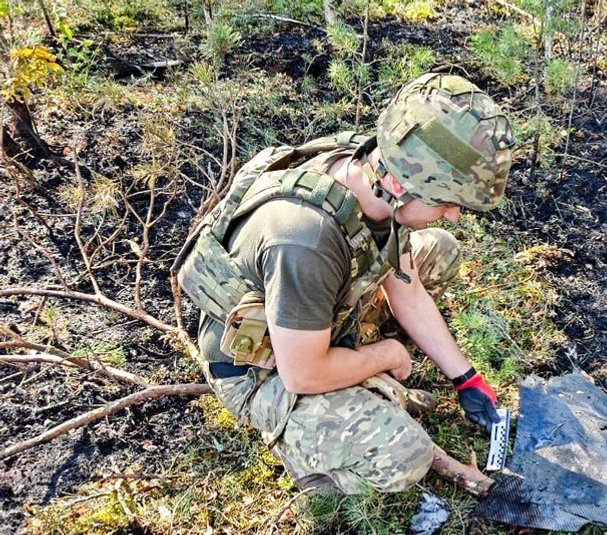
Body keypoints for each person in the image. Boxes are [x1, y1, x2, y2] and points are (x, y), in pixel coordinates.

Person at [178, 73, 516, 494]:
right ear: (397, 186)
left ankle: (358, 372)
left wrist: (465, 379)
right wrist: (385, 353)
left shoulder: (376, 165)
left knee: (440, 250)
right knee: (405, 458)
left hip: (316, 316)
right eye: (446, 202)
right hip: (264, 368)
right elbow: (302, 373)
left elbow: (405, 286)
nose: (453, 215)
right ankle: (302, 444)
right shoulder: (305, 239)